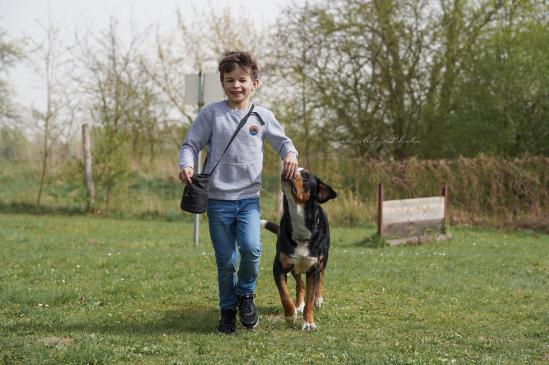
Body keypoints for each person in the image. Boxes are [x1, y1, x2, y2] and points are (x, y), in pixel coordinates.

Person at [178, 51, 299, 334]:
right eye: (230, 80)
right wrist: (186, 164)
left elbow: (284, 144)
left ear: (254, 83)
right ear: (222, 83)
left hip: (248, 200)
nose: (236, 85)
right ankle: (227, 311)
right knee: (226, 262)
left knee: (252, 248)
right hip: (218, 201)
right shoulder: (211, 114)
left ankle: (246, 295)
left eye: (242, 80)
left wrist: (291, 155)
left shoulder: (262, 116)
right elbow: (190, 145)